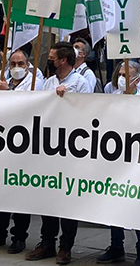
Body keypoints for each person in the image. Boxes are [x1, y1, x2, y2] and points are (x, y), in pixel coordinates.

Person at [27, 43, 94, 265]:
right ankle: (47, 243)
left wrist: (68, 100)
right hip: (49, 146)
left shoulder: (81, 83)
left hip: (70, 149)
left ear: (63, 60)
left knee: (67, 202)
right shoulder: (49, 81)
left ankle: (66, 247)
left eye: (53, 57)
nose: (50, 60)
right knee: (47, 199)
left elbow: (88, 111)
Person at [0, 50, 37, 255]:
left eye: (20, 63)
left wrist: (8, 95)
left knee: (20, 194)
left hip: (25, 146)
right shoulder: (3, 80)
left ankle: (19, 237)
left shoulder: (36, 82)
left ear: (28, 65)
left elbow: (31, 107)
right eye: (13, 63)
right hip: (1, 143)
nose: (16, 67)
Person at [97, 60, 140, 266]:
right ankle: (116, 246)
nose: (120, 78)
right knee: (114, 205)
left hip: (138, 162)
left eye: (125, 75)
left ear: (137, 79)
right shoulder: (113, 99)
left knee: (138, 206)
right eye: (120, 74)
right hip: (115, 159)